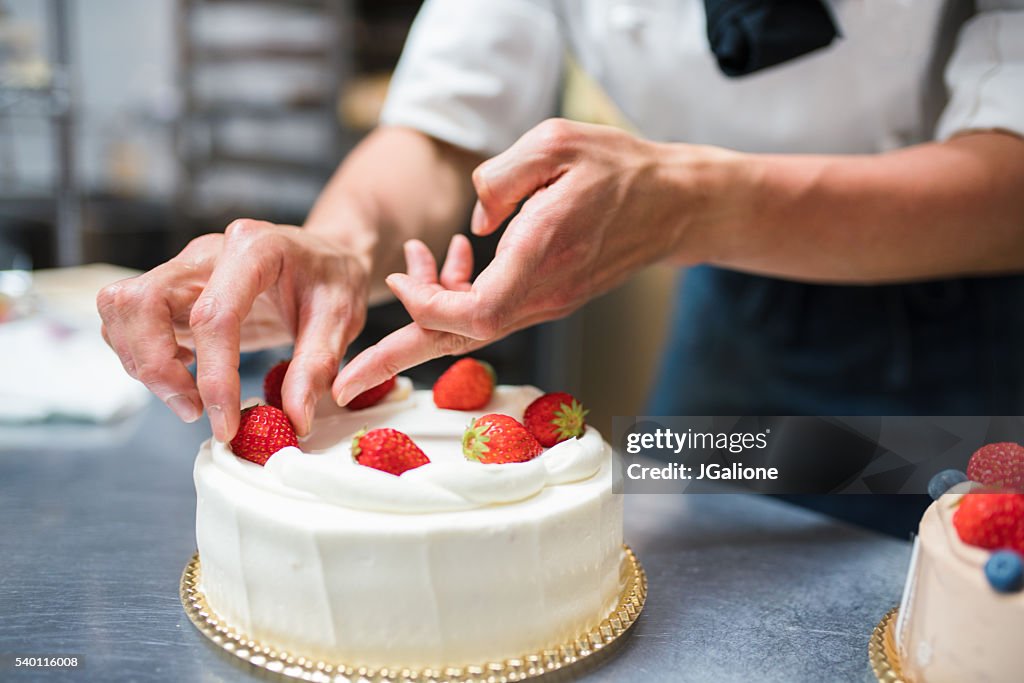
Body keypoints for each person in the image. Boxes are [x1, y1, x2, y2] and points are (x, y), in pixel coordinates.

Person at [98, 0, 1024, 447]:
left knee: (948, 616)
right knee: (701, 600)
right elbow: (444, 131)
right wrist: (337, 241)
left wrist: (692, 204)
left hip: (970, 327)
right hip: (737, 318)